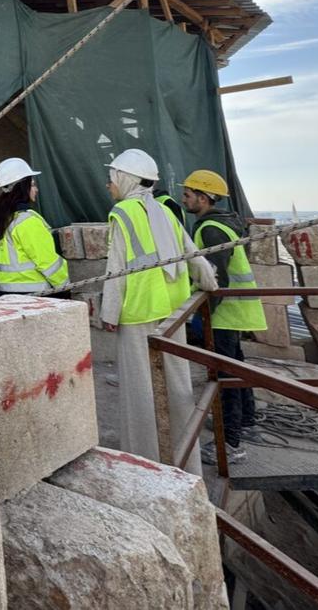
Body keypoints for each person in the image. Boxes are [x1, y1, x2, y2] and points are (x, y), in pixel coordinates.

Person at [99, 148, 218, 476]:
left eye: (112, 179)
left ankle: (145, 465)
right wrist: (209, 283)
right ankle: (187, 464)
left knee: (140, 393)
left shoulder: (122, 213)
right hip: (172, 315)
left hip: (139, 315)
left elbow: (116, 268)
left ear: (126, 179)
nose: (109, 185)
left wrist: (108, 314)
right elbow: (191, 252)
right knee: (178, 389)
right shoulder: (165, 211)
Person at [181, 168, 267, 466]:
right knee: (236, 368)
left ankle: (230, 443)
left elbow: (215, 279)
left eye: (188, 195)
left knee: (225, 377)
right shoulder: (226, 223)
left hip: (224, 314)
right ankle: (246, 423)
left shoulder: (210, 230)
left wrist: (201, 317)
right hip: (236, 310)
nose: (184, 199)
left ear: (203, 198)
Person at [0, 158, 70, 297]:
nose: (36, 190)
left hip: (2, 293)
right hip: (35, 294)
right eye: (33, 185)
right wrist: (64, 287)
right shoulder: (27, 222)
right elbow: (48, 262)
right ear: (23, 187)